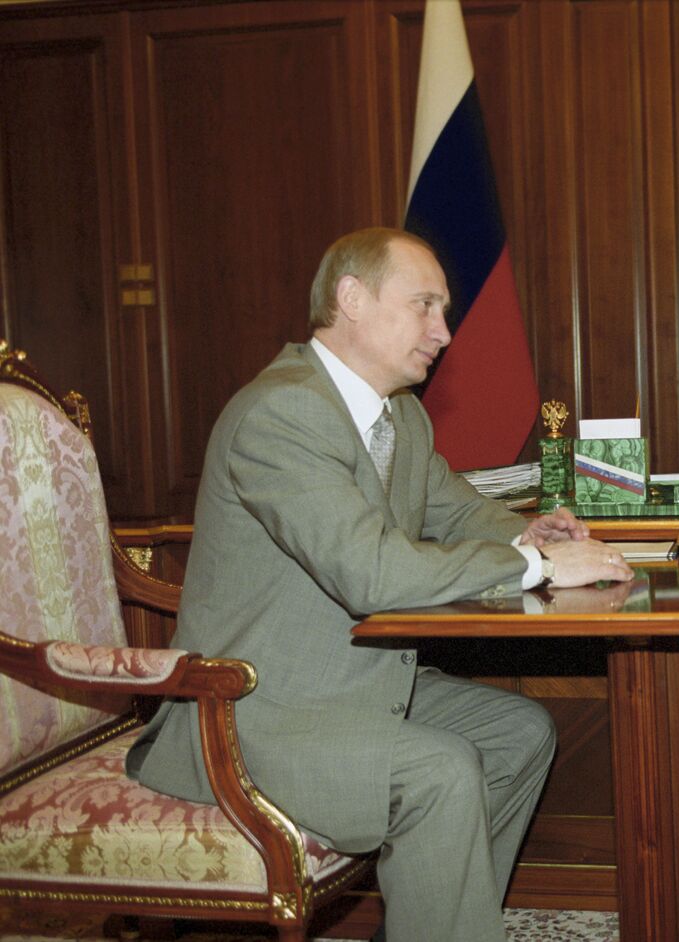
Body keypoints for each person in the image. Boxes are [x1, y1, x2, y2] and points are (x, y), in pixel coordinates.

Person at [126, 227, 633, 941]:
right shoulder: (282, 413)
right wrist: (538, 570)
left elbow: (456, 511)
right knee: (442, 770)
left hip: (354, 683)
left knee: (518, 733)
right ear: (351, 299)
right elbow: (369, 573)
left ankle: (436, 924)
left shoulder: (401, 417)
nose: (445, 332)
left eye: (445, 311)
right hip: (248, 711)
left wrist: (530, 534)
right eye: (425, 305)